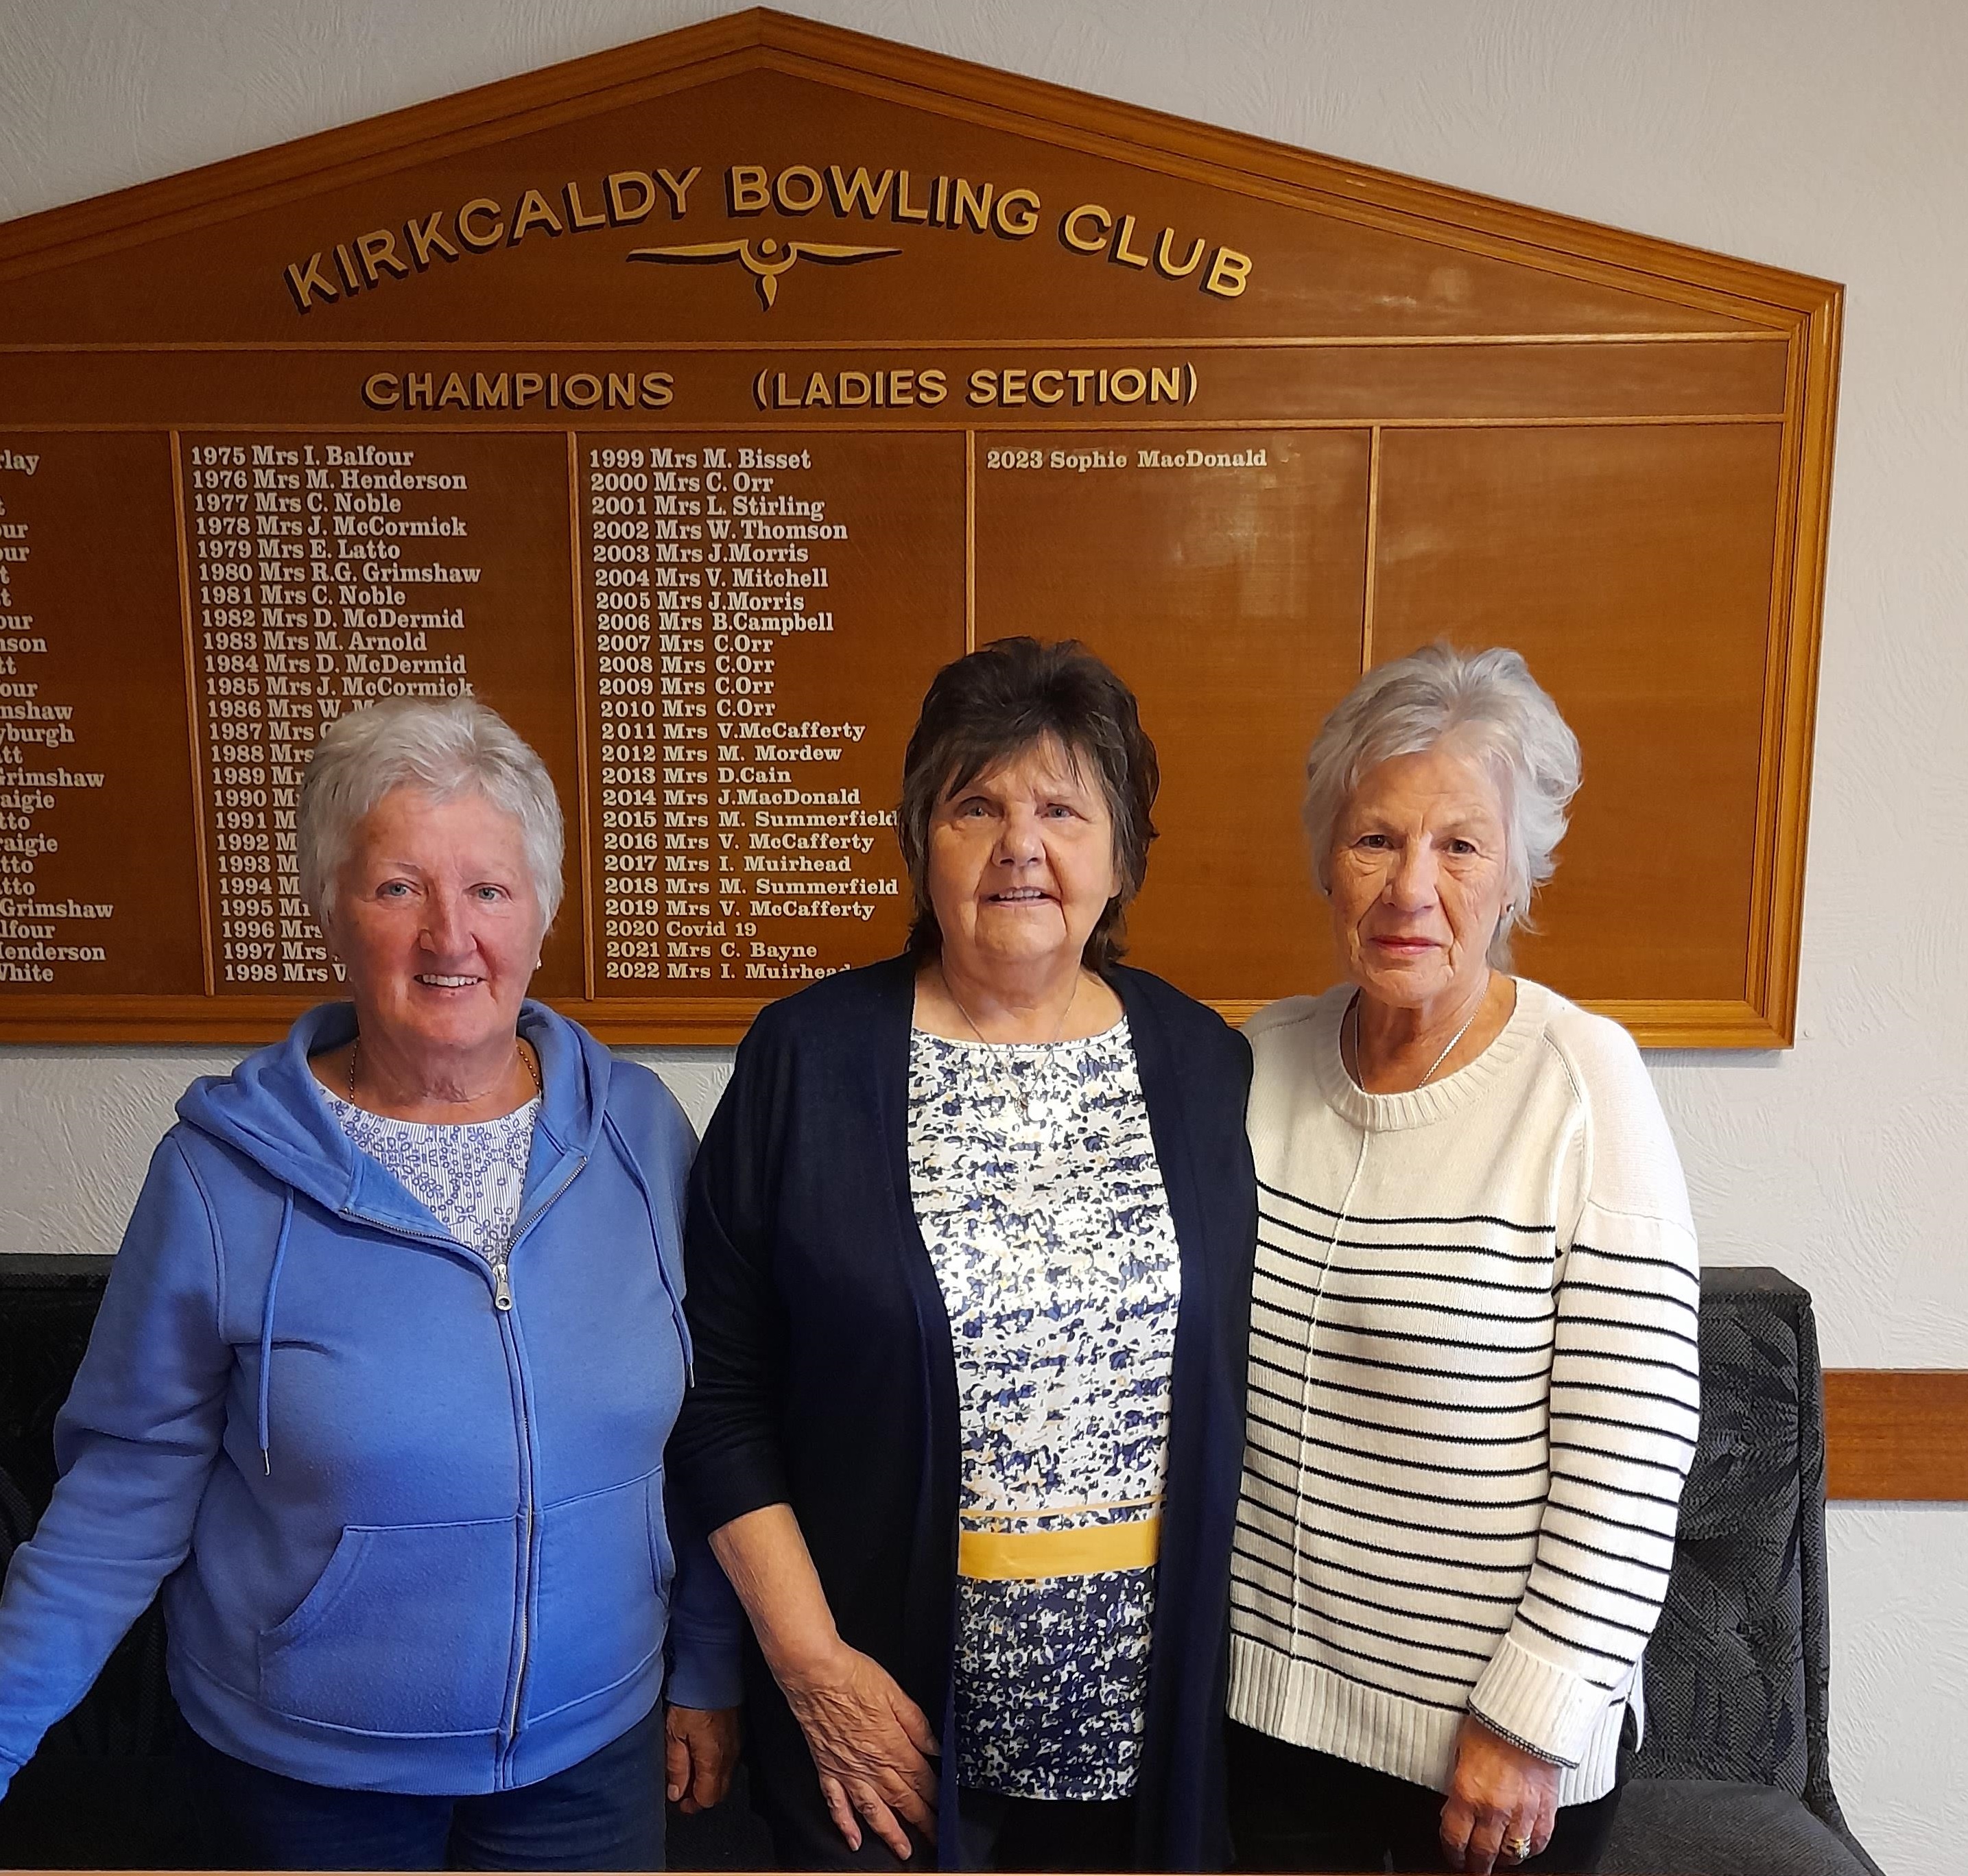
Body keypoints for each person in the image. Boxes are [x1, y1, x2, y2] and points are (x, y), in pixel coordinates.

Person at [0, 698, 742, 1871]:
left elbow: (706, 1420)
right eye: (399, 888)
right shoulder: (217, 1177)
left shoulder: (644, 1133)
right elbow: (123, 1492)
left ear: (542, 914)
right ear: (330, 916)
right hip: (307, 1780)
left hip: (592, 1764)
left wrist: (706, 1661)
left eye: (489, 890)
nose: (450, 936)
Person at [669, 637, 1255, 1873]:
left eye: (1060, 807)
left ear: (1121, 849)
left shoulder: (1205, 1065)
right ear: (918, 839)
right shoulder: (805, 1061)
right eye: (975, 805)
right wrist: (809, 1667)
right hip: (881, 1749)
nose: (1019, 845)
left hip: (1140, 1757)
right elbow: (715, 1393)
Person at [1225, 645, 1700, 1876]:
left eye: (1460, 847)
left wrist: (1531, 1716)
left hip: (1490, 1761)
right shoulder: (1251, 1062)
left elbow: (1636, 1449)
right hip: (1265, 1718)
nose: (1410, 889)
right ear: (1329, 854)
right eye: (1376, 839)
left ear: (1515, 877)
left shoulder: (1581, 1081)